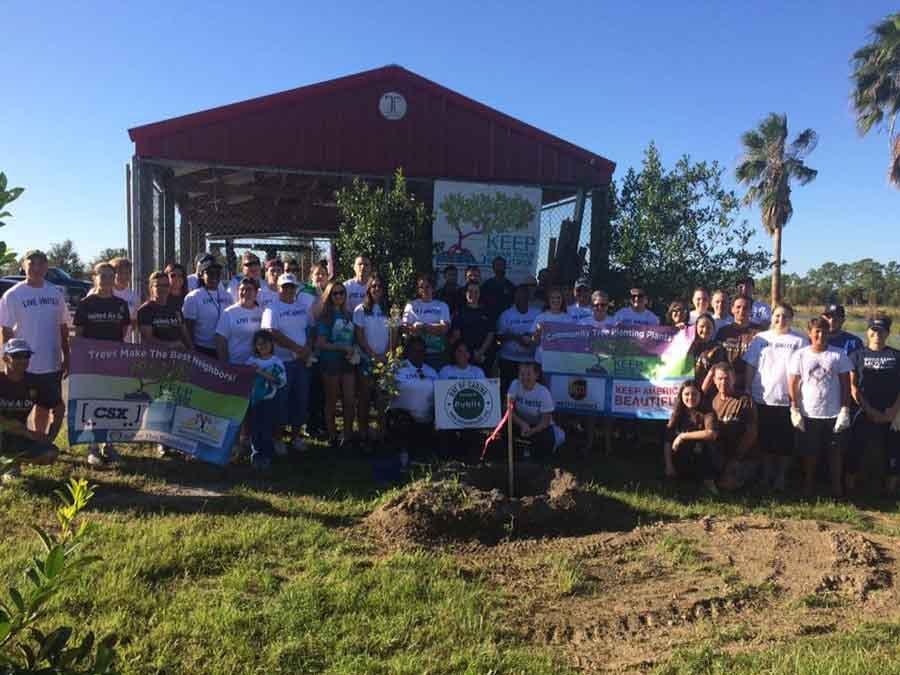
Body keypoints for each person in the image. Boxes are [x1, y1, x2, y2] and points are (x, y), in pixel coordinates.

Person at [0, 250, 69, 443]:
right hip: (22, 364)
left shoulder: (55, 292)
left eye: (41, 264)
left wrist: (67, 356)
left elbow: (63, 326)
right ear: (23, 266)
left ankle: (40, 442)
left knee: (45, 406)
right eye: (32, 264)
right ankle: (14, 448)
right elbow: (5, 330)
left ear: (47, 267)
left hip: (51, 362)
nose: (37, 268)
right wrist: (7, 360)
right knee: (17, 409)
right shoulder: (13, 295)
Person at [742, 303, 808, 491]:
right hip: (762, 396)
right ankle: (766, 475)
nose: (781, 320)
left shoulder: (800, 340)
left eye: (785, 316)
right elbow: (751, 365)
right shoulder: (760, 339)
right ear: (771, 317)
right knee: (764, 440)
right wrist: (747, 389)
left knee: (785, 442)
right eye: (777, 316)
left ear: (791, 318)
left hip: (787, 399)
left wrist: (798, 399)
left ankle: (781, 477)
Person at [71, 263, 131, 467]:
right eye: (102, 275)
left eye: (110, 275)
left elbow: (122, 333)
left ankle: (109, 444)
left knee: (111, 404)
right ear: (94, 277)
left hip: (113, 363)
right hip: (91, 364)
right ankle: (93, 448)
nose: (106, 279)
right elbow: (78, 337)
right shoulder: (86, 304)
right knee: (92, 404)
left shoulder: (121, 305)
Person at [788, 317, 852, 497]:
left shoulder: (838, 355)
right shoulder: (800, 355)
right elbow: (793, 383)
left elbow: (846, 384)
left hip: (833, 413)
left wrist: (845, 410)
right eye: (816, 331)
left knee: (835, 453)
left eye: (824, 331)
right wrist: (794, 408)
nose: (820, 335)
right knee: (810, 453)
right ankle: (808, 486)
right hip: (809, 413)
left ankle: (837, 488)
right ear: (809, 333)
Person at [848, 313, 900, 494]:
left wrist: (893, 411)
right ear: (868, 331)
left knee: (893, 451)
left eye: (882, 331)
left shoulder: (896, 355)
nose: (877, 334)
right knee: (855, 448)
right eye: (874, 330)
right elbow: (853, 387)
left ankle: (890, 492)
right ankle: (851, 489)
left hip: (891, 413)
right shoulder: (856, 355)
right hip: (863, 411)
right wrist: (869, 410)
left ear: (888, 333)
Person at [262, 273, 313, 454]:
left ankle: (296, 437)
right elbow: (271, 333)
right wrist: (296, 348)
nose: (289, 290)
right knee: (281, 402)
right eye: (285, 287)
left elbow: (308, 329)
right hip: (281, 363)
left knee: (300, 399)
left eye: (292, 287)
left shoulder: (302, 307)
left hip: (301, 362)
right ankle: (278, 439)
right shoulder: (272, 308)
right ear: (278, 288)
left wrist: (305, 349)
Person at [0, 339, 60, 478]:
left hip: (18, 437)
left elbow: (59, 408)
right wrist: (26, 432)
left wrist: (50, 437)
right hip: (8, 433)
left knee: (50, 452)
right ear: (5, 358)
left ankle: (12, 463)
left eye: (26, 355)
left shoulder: (35, 381)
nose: (23, 360)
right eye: (17, 356)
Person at [487, 361, 562, 461]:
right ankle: (510, 456)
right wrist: (522, 424)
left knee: (547, 439)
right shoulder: (515, 384)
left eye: (528, 374)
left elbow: (546, 421)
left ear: (536, 375)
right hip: (519, 421)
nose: (525, 377)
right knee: (504, 427)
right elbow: (507, 408)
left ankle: (542, 462)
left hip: (539, 425)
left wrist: (532, 430)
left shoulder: (543, 393)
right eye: (521, 374)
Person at [316, 281, 358, 448]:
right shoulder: (325, 317)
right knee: (332, 400)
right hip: (330, 361)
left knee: (349, 400)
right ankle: (332, 435)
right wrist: (341, 347)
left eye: (342, 293)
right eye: (335, 293)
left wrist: (353, 349)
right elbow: (320, 343)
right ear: (329, 296)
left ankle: (347, 435)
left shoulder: (349, 315)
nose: (339, 296)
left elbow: (353, 338)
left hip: (347, 361)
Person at [353, 275, 391, 445]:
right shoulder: (360, 310)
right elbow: (360, 337)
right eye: (373, 286)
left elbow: (394, 335)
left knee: (382, 400)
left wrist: (387, 355)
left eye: (380, 286)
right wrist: (374, 356)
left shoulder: (391, 309)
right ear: (368, 289)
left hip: (386, 361)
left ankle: (381, 433)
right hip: (367, 360)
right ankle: (363, 433)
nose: (376, 289)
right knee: (364, 398)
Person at [709, 362, 758, 491]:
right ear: (714, 380)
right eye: (720, 379)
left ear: (734, 379)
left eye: (727, 378)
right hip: (719, 454)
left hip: (741, 457)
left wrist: (736, 458)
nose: (723, 382)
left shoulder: (744, 400)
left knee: (728, 484)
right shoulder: (711, 401)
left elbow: (752, 433)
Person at [663, 380, 719, 494]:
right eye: (687, 394)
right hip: (681, 457)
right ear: (681, 395)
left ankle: (708, 482)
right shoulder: (677, 413)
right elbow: (667, 439)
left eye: (694, 394)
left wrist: (682, 436)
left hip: (703, 458)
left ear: (700, 395)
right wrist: (669, 465)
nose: (690, 397)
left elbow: (711, 433)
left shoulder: (708, 412)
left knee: (705, 446)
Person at [389, 336, 438, 458]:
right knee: (401, 421)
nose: (419, 354)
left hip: (427, 420)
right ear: (408, 352)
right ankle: (403, 455)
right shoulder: (398, 368)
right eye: (415, 350)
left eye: (422, 351)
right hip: (403, 419)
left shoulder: (432, 372)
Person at [437, 340, 486, 460]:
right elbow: (440, 395)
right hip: (449, 416)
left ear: (470, 354)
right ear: (454, 353)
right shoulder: (445, 371)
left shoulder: (477, 372)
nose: (462, 354)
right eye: (459, 351)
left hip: (472, 416)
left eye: (465, 351)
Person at [246, 330, 287, 470]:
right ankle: (256, 455)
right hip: (254, 401)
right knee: (255, 429)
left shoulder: (277, 362)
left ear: (272, 344)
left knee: (267, 429)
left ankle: (267, 456)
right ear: (255, 346)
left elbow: (280, 381)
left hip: (270, 402)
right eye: (259, 344)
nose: (263, 346)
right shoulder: (251, 361)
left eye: (266, 343)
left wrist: (261, 372)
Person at [496, 281, 541, 398]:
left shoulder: (537, 313)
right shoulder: (506, 314)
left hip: (530, 360)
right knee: (507, 393)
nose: (521, 297)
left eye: (524, 294)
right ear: (514, 297)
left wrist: (530, 338)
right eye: (518, 294)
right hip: (509, 360)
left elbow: (543, 334)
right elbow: (499, 337)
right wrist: (517, 338)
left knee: (528, 393)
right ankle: (507, 414)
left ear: (528, 296)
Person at [182, 258, 232, 359]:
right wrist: (193, 352)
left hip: (224, 348)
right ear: (201, 275)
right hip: (202, 350)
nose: (214, 276)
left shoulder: (227, 296)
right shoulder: (193, 297)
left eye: (218, 273)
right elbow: (187, 328)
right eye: (210, 273)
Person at [713, 295, 761, 395]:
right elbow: (718, 359)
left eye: (746, 307)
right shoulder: (723, 332)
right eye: (738, 307)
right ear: (732, 309)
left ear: (751, 310)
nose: (742, 310)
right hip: (727, 385)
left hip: (751, 385)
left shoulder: (759, 333)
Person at [402, 273, 451, 370]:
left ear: (433, 288)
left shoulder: (442, 305)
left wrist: (423, 327)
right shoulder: (411, 305)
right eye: (421, 287)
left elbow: (444, 328)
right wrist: (433, 328)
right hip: (414, 354)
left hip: (436, 354)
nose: (424, 290)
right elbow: (405, 328)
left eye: (427, 286)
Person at [304, 261, 331, 438]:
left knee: (324, 388)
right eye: (316, 274)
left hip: (327, 343)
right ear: (311, 277)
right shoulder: (305, 294)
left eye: (323, 273)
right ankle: (311, 424)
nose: (320, 276)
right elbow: (312, 316)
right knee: (312, 386)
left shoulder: (331, 292)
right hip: (310, 343)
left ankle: (323, 422)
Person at [215, 277, 263, 365]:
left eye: (249, 289)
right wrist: (225, 365)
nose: (245, 292)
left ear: (256, 293)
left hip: (258, 366)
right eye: (242, 289)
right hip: (236, 365)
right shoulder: (229, 312)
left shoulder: (261, 312)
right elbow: (220, 340)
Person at [138, 272, 192, 349]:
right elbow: (148, 339)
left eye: (166, 285)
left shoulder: (175, 308)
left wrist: (192, 350)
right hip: (155, 357)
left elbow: (185, 333)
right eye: (158, 286)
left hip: (177, 357)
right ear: (151, 287)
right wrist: (172, 345)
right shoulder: (145, 310)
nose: (163, 289)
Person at [449, 281, 495, 372]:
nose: (473, 294)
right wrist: (470, 353)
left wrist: (481, 352)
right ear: (465, 293)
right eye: (470, 291)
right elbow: (457, 335)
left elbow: (490, 334)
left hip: (484, 356)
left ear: (480, 294)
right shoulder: (459, 312)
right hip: (465, 357)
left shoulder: (487, 311)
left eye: (476, 292)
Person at [532, 287, 575, 373]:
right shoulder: (540, 317)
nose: (556, 300)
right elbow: (534, 342)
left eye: (558, 297)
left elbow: (572, 342)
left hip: (561, 362)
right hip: (541, 361)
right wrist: (538, 332)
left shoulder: (569, 319)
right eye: (552, 298)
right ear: (548, 300)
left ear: (562, 300)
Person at [689, 314, 727, 392]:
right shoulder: (688, 344)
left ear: (713, 329)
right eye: (702, 326)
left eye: (709, 327)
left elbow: (713, 372)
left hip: (706, 391)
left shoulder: (717, 348)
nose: (705, 330)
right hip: (687, 389)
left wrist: (701, 393)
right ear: (696, 328)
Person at [108, 257, 139, 341]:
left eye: (128, 272)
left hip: (123, 344)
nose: (124, 276)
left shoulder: (133, 296)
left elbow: (134, 322)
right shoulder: (101, 292)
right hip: (102, 344)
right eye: (120, 272)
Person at [480, 256, 516, 324]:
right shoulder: (486, 285)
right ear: (493, 268)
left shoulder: (511, 286)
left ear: (505, 267)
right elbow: (481, 303)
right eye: (497, 265)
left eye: (502, 265)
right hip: (490, 318)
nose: (500, 268)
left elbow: (513, 304)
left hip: (506, 319)